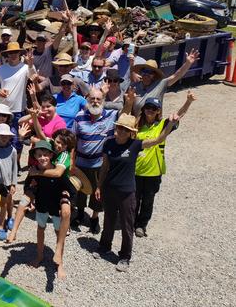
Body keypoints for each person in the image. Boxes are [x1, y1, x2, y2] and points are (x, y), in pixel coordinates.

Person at [93, 113, 179, 272]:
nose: (121, 131)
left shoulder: (135, 144)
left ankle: (125, 257)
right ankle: (104, 246)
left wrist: (169, 125)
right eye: (119, 128)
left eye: (126, 129)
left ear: (131, 132)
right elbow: (104, 167)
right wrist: (99, 186)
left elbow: (158, 140)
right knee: (109, 221)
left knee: (127, 225)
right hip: (109, 189)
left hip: (127, 192)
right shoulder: (109, 144)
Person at [72, 88, 134, 232]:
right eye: (92, 99)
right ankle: (80, 214)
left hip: (100, 163)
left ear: (103, 101)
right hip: (81, 163)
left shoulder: (111, 116)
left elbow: (124, 114)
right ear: (87, 100)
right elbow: (73, 140)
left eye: (98, 99)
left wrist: (129, 103)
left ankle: (94, 218)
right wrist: (72, 162)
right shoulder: (79, 116)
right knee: (80, 191)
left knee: (98, 193)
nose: (95, 102)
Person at [134, 93, 195, 237]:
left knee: (148, 200)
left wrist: (188, 102)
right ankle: (132, 221)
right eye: (148, 107)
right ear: (143, 109)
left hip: (153, 171)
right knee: (134, 199)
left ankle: (142, 225)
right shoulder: (137, 126)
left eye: (154, 108)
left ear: (158, 111)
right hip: (135, 170)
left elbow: (178, 115)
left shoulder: (162, 125)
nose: (150, 110)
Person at [25, 140, 75, 279]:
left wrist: (67, 201)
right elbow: (27, 187)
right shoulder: (34, 171)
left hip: (56, 208)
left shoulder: (57, 172)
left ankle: (60, 264)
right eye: (39, 155)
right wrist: (30, 199)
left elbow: (71, 190)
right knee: (40, 229)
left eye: (46, 154)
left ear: (52, 156)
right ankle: (39, 256)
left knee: (59, 233)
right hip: (41, 205)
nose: (42, 158)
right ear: (35, 156)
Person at [131, 49, 199, 114]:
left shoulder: (159, 85)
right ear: (141, 72)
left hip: (153, 124)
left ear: (154, 75)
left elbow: (176, 76)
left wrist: (188, 63)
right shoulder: (135, 86)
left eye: (150, 72)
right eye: (145, 71)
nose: (146, 74)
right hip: (135, 123)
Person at [0, 42, 30, 124]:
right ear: (7, 54)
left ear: (19, 53)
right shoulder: (1, 68)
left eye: (15, 52)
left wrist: (30, 64)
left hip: (19, 109)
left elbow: (33, 76)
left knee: (18, 135)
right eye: (11, 53)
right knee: (2, 135)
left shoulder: (25, 68)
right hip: (3, 109)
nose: (13, 55)